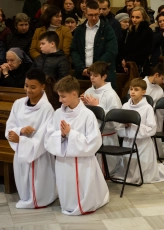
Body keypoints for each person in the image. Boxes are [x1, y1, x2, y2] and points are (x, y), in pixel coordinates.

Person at [44, 76, 109, 215]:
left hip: (82, 162)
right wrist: (61, 135)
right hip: (63, 161)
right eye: (59, 96)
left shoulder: (87, 115)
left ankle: (84, 204)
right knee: (66, 186)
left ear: (74, 94)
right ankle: (68, 203)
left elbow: (94, 142)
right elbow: (48, 137)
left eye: (63, 96)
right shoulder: (57, 114)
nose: (60, 100)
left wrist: (70, 134)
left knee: (82, 188)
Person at [5, 68, 57, 209]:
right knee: (24, 180)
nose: (28, 90)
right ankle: (26, 196)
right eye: (26, 85)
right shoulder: (18, 103)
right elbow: (10, 125)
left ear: (43, 87)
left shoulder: (47, 109)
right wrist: (20, 131)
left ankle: (41, 198)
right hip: (21, 149)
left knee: (38, 185)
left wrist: (22, 140)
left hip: (38, 154)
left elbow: (45, 137)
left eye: (33, 87)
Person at [115, 78, 164, 183]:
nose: (132, 92)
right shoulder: (126, 106)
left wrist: (135, 125)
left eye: (136, 89)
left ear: (143, 92)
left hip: (143, 143)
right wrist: (125, 125)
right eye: (131, 89)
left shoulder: (147, 108)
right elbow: (118, 125)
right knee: (129, 169)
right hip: (128, 141)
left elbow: (152, 129)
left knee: (144, 175)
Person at [81, 61, 122, 176]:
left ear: (104, 76)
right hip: (91, 133)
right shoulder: (89, 91)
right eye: (91, 75)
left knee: (104, 172)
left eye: (95, 75)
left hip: (106, 135)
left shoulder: (111, 94)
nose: (92, 78)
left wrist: (97, 106)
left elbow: (116, 119)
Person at [70, 0, 118, 88]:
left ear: (99, 12)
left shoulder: (107, 29)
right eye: (90, 15)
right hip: (83, 73)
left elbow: (111, 51)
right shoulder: (79, 30)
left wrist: (93, 69)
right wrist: (81, 68)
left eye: (96, 14)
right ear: (85, 13)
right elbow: (74, 50)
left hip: (102, 73)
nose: (94, 18)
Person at [143, 63, 164, 161]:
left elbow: (160, 113)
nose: (163, 82)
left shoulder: (160, 90)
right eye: (162, 78)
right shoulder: (141, 84)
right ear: (156, 75)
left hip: (153, 118)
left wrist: (158, 128)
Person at [119, 6, 153, 77]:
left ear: (143, 18)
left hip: (140, 66)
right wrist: (124, 61)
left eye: (137, 17)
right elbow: (122, 47)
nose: (134, 20)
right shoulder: (128, 31)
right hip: (126, 66)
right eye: (133, 17)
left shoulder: (147, 31)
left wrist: (127, 60)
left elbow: (145, 51)